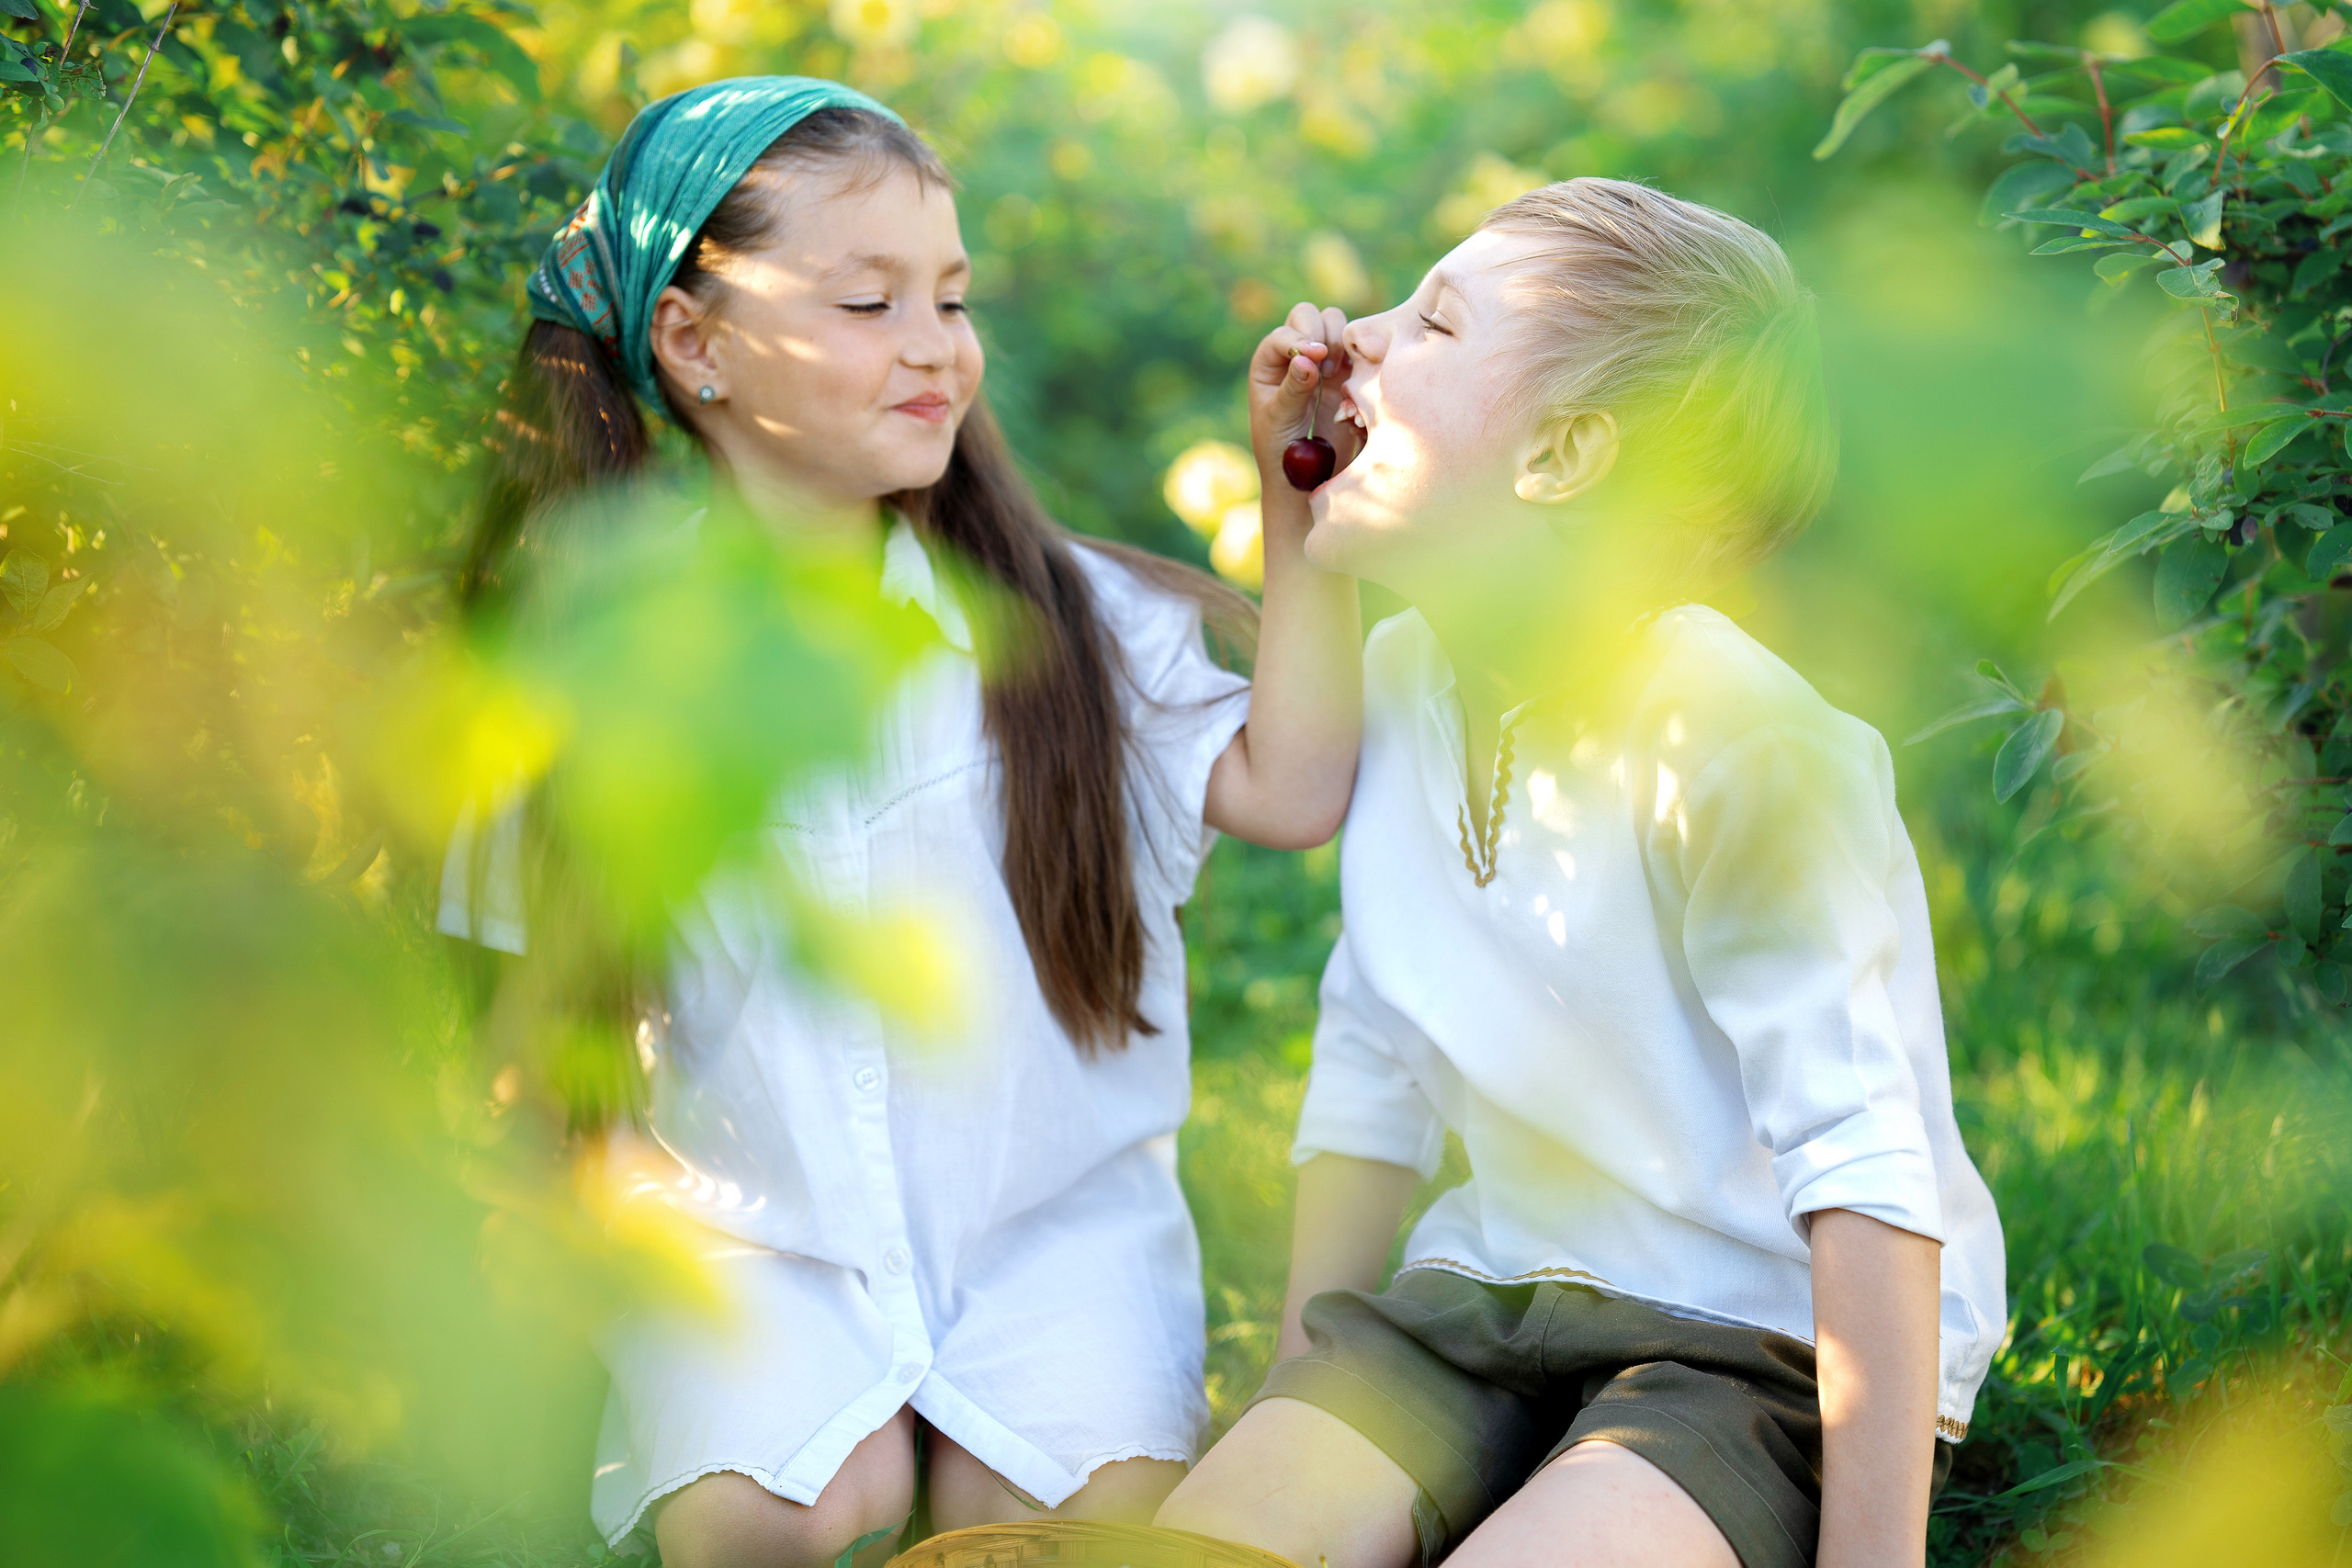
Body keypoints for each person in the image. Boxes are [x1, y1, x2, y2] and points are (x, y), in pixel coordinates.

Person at [440, 78, 1363, 1568]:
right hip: (755, 1237)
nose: (935, 346)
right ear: (696, 345)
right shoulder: (581, 659)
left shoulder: (1065, 622)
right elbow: (525, 1030)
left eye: (950, 297)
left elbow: (1296, 786)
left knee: (1057, 1536)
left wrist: (1297, 496)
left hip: (1051, 1235)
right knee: (773, 1521)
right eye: (868, 302)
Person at [1155, 177, 2007, 1568]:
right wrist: (1302, 1399)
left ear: (1560, 458)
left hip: (1752, 1340)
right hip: (1489, 1299)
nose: (1350, 339)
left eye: (1430, 322)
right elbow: (1372, 1069)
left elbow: (1868, 1177)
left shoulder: (1744, 743)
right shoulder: (1403, 679)